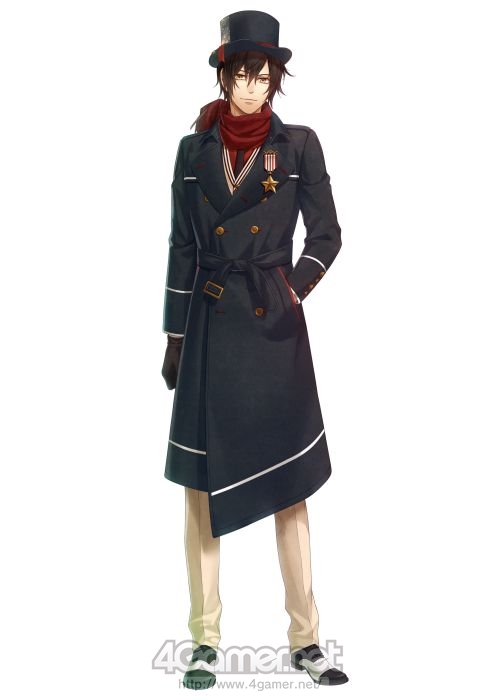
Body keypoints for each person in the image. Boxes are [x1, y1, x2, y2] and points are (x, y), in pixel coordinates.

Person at [161, 10, 348, 690]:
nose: (251, 87)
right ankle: (204, 640)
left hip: (273, 327)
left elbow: (326, 235)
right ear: (223, 75)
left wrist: (292, 288)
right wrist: (174, 334)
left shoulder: (298, 146)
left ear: (275, 80)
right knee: (201, 489)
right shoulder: (193, 151)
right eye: (240, 74)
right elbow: (182, 244)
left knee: (290, 486)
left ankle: (306, 639)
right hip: (210, 326)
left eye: (262, 75)